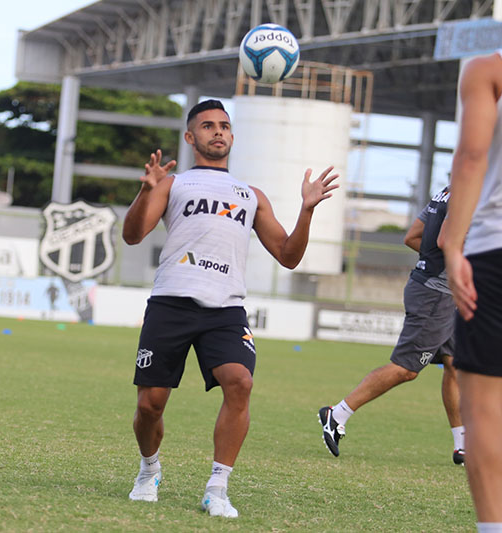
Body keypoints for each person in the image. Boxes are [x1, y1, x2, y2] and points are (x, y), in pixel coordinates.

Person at [122, 99, 338, 518]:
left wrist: (306, 210)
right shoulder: (174, 184)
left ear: (232, 137)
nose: (217, 132)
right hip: (171, 302)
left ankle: (217, 488)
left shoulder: (250, 195)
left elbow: (289, 256)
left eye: (224, 126)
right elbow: (132, 236)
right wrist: (145, 191)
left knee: (239, 381)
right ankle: (149, 470)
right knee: (150, 404)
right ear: (191, 137)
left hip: (225, 309)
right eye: (207, 126)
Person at [318, 185, 465, 464]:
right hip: (435, 295)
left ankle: (462, 444)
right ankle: (336, 414)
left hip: (441, 291)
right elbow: (448, 241)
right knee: (406, 369)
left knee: (454, 363)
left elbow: (412, 237)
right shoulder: (469, 193)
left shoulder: (447, 191)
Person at [437, 51, 502, 530]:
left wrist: (452, 242)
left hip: (493, 248)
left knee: (483, 413)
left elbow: (473, 155)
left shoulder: (487, 69)